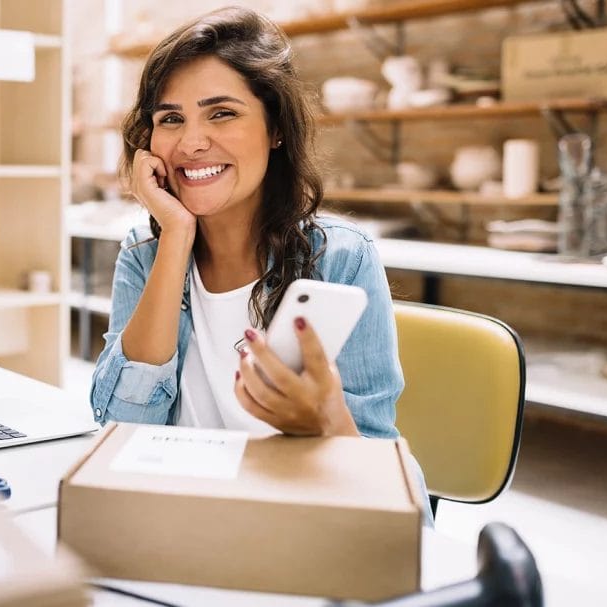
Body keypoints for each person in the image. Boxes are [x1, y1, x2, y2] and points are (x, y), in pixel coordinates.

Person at [89, 6, 431, 519]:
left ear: (275, 128)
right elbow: (120, 427)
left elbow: (394, 497)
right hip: (179, 515)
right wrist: (176, 236)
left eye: (221, 113)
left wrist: (325, 418)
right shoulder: (145, 254)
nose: (191, 142)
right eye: (170, 119)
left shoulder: (340, 259)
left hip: (291, 518)